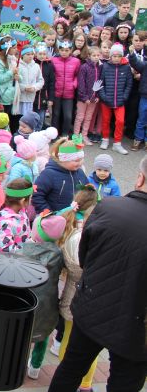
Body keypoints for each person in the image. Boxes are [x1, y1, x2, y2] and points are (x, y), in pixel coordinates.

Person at [49, 155, 147, 392]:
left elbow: (84, 257)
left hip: (94, 307)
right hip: (137, 326)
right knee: (124, 384)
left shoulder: (109, 207)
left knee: (71, 369)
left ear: (140, 178)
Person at [54, 185, 100, 392]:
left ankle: (65, 377)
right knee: (88, 349)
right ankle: (85, 385)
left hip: (69, 294)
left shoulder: (70, 230)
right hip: (88, 298)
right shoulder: (86, 236)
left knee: (68, 340)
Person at [18, 214, 65, 380]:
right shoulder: (59, 254)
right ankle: (35, 367)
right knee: (43, 335)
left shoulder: (25, 250)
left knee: (22, 334)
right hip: (48, 302)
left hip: (26, 299)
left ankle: (18, 365)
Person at [33, 138, 89, 214]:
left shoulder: (80, 172)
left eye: (81, 159)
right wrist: (48, 213)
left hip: (75, 215)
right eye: (76, 160)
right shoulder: (49, 174)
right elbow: (37, 195)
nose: (80, 163)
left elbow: (87, 190)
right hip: (55, 217)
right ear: (63, 159)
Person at [98, 43, 133, 154]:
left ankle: (117, 143)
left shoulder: (126, 67)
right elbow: (100, 83)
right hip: (106, 100)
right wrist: (103, 96)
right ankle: (105, 139)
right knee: (105, 120)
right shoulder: (105, 66)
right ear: (111, 56)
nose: (116, 58)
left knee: (120, 121)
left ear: (122, 56)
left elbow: (129, 84)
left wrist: (124, 97)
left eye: (119, 56)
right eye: (114, 56)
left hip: (120, 101)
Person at [0, 178, 33, 252]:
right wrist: (27, 251)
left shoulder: (22, 211)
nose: (31, 200)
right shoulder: (5, 222)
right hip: (14, 258)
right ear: (22, 201)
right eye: (30, 197)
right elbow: (5, 249)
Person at [51, 40, 81, 137]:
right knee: (56, 115)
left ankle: (65, 134)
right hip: (57, 92)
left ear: (71, 50)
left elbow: (77, 75)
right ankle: (54, 135)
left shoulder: (76, 61)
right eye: (62, 50)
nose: (64, 52)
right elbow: (52, 75)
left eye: (67, 50)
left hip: (69, 93)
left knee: (68, 116)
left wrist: (74, 84)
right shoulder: (54, 60)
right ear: (59, 50)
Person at [74, 46, 102, 143]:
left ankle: (84, 135)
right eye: (94, 55)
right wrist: (84, 97)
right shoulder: (84, 67)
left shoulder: (100, 67)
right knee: (80, 117)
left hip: (93, 99)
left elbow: (100, 82)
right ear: (89, 56)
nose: (96, 57)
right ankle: (76, 136)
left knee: (88, 117)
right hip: (83, 98)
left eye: (98, 55)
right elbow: (81, 83)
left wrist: (97, 96)